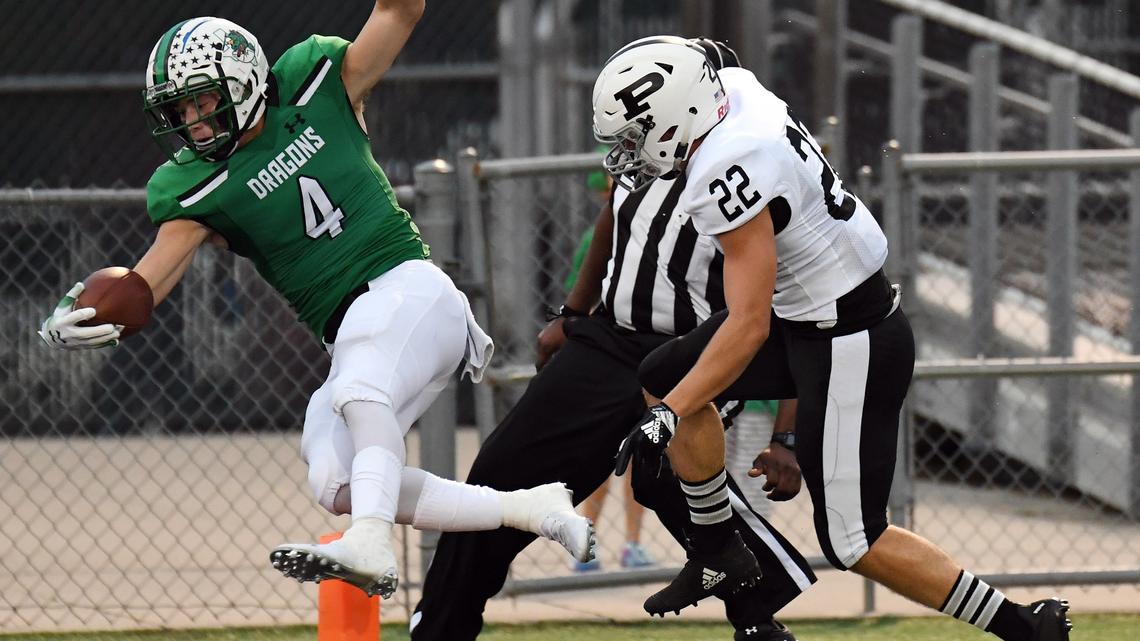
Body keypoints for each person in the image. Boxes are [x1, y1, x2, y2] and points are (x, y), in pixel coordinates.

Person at [36, 4, 595, 601]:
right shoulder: (193, 186)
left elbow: (401, 10)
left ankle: (372, 543)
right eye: (180, 109)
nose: (193, 121)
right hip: (353, 331)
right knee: (336, 480)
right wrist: (91, 313)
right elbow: (147, 281)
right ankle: (531, 509)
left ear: (245, 77)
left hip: (408, 287)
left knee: (360, 390)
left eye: (202, 100)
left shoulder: (315, 82)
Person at [594, 35, 1072, 641]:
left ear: (677, 117)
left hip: (852, 338)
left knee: (853, 539)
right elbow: (724, 61)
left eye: (635, 137)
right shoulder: (732, 93)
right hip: (813, 320)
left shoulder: (724, 168)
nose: (628, 154)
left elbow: (747, 325)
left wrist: (669, 418)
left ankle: (1026, 628)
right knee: (664, 375)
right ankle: (719, 550)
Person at [410, 37, 814, 641]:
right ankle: (441, 628)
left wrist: (787, 435)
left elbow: (796, 309)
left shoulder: (749, 172)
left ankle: (758, 617)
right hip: (610, 339)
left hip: (692, 355)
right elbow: (613, 220)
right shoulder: (649, 149)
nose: (628, 145)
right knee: (501, 472)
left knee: (662, 477)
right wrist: (571, 313)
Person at [568, 162, 656, 573]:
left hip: (642, 356)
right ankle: (587, 537)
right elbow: (581, 292)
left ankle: (633, 544)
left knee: (640, 456)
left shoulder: (651, 229)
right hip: (610, 351)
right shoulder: (598, 236)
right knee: (604, 458)